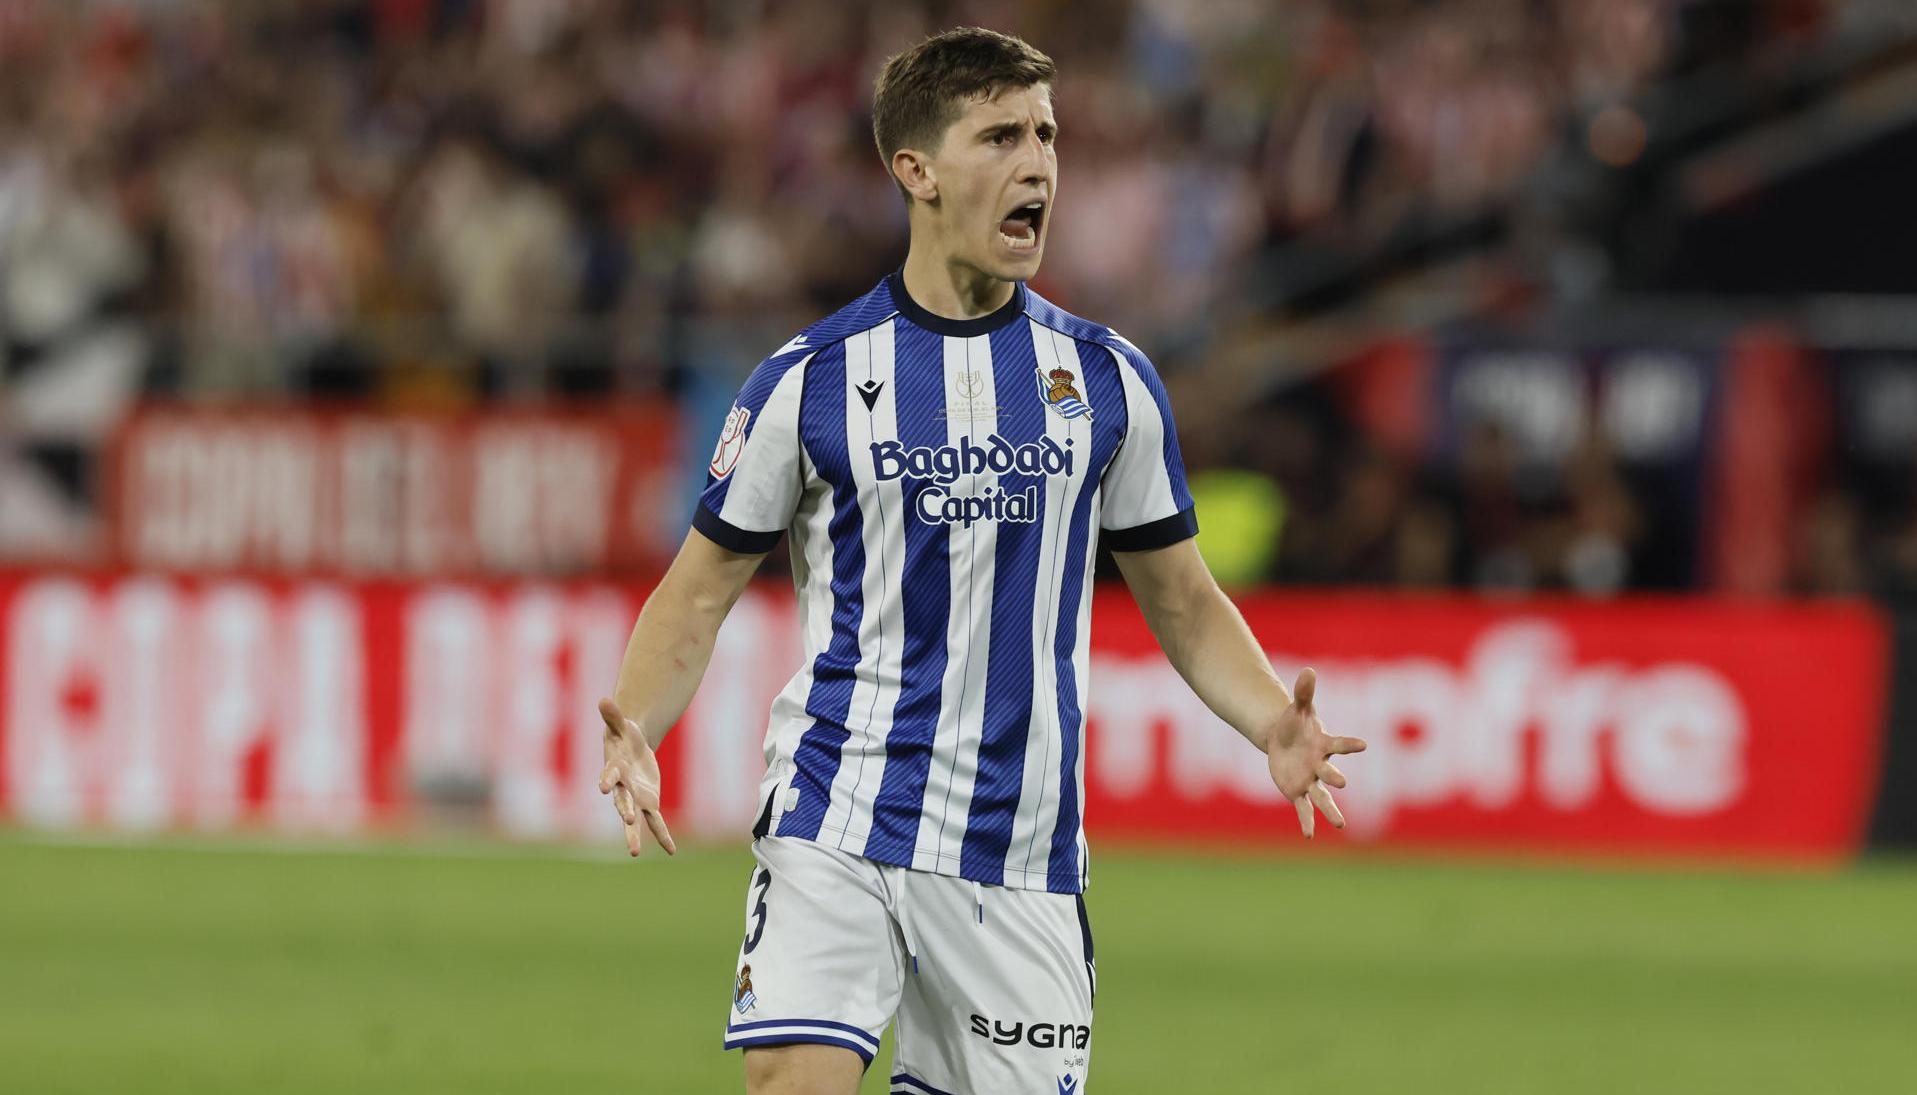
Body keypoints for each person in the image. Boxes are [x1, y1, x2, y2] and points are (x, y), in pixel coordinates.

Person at [595, 26, 1366, 1095]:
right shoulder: (810, 380)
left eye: (1047, 135)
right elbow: (699, 589)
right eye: (1000, 135)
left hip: (1021, 857)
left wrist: (1271, 718)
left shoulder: (1105, 380)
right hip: (840, 814)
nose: (1038, 162)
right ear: (915, 170)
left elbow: (1183, 599)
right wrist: (639, 723)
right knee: (792, 1082)